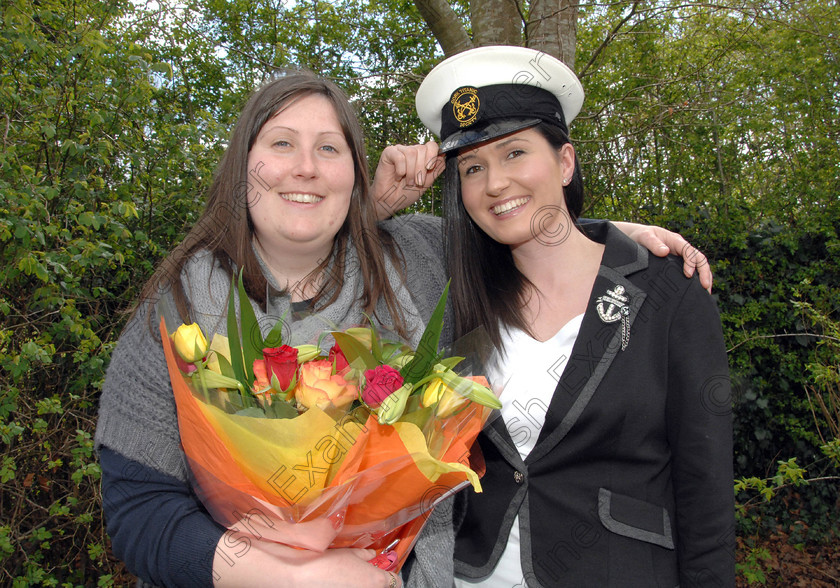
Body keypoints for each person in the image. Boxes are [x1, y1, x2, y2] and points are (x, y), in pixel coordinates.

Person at [94, 68, 714, 588]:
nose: (305, 167)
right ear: (243, 165)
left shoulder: (416, 263)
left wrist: (614, 240)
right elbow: (139, 513)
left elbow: (515, 226)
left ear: (355, 175)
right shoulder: (173, 311)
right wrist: (298, 576)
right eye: (281, 144)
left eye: (330, 149)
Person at [411, 46, 735, 587]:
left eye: (515, 153)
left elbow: (705, 486)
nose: (494, 183)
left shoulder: (667, 291)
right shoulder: (454, 293)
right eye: (472, 167)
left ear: (565, 162)